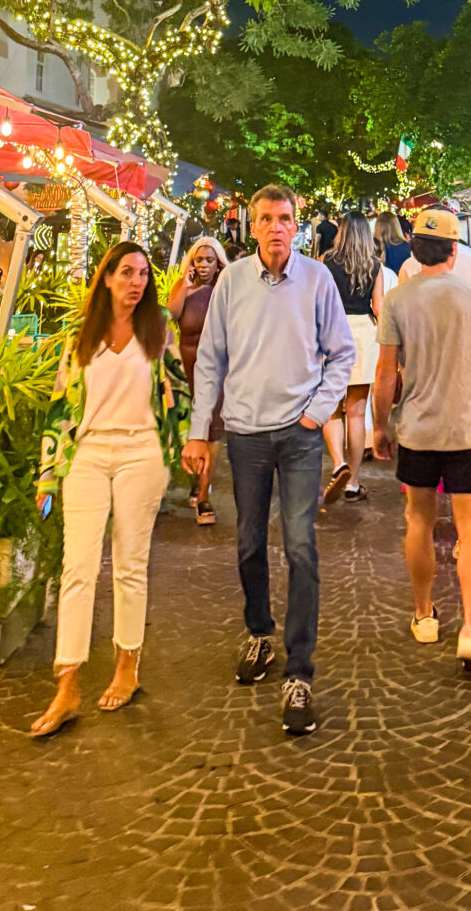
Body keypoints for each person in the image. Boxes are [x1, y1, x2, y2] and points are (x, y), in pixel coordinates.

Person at [183, 184, 355, 737]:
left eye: (284, 218)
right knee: (249, 541)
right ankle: (259, 631)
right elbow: (210, 361)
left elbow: (342, 352)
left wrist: (317, 413)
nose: (276, 227)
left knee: (301, 544)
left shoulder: (317, 280)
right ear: (252, 226)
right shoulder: (232, 281)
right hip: (247, 433)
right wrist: (199, 432)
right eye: (266, 219)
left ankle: (299, 671)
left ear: (296, 226)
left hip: (299, 435)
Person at [31, 242, 190, 738]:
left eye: (142, 274)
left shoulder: (159, 327)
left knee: (129, 564)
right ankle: (67, 682)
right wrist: (47, 472)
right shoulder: (80, 334)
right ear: (106, 278)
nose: (136, 282)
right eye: (126, 273)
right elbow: (61, 405)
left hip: (142, 452)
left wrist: (179, 447)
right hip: (87, 454)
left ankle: (127, 666)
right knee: (77, 567)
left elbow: (181, 390)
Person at [371, 212, 471, 672]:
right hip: (465, 429)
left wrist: (380, 425)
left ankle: (424, 614)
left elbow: (385, 372)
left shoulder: (397, 300)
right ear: (454, 249)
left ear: (414, 249)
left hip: (418, 430)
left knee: (419, 522)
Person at [168, 235, 229, 524]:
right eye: (199, 260)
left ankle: (204, 495)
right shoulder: (184, 288)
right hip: (185, 370)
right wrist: (186, 284)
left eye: (209, 260)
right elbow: (171, 315)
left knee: (212, 432)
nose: (204, 265)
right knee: (190, 429)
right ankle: (196, 480)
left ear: (219, 264)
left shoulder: (224, 290)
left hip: (216, 371)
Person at [321, 214, 380, 505]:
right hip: (363, 336)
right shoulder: (374, 265)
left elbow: (316, 300)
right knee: (357, 412)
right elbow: (379, 307)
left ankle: (338, 464)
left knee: (332, 409)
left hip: (333, 331)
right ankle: (353, 483)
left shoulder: (326, 261)